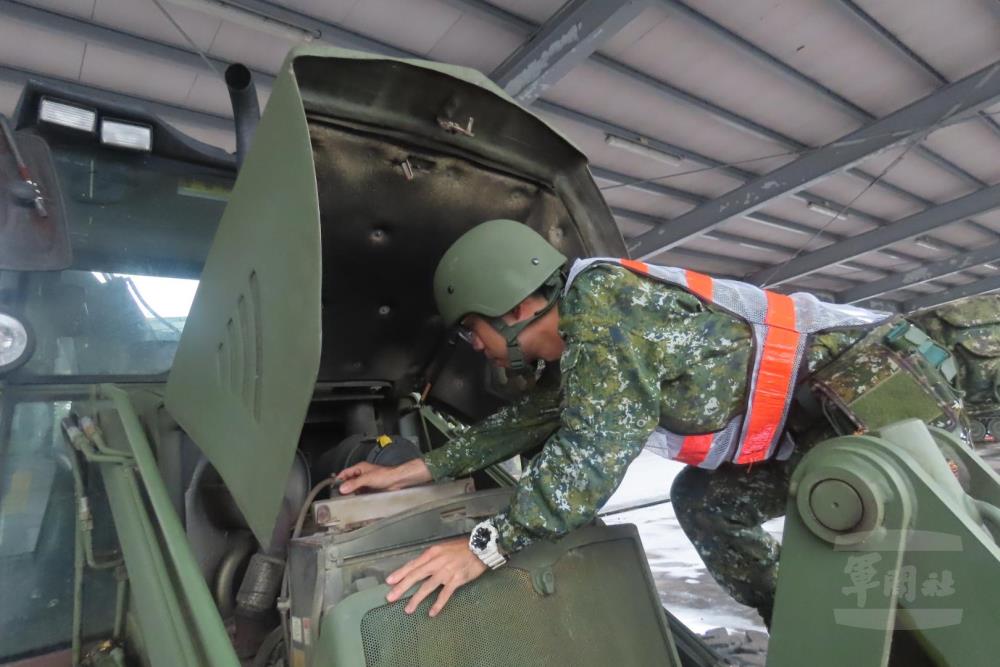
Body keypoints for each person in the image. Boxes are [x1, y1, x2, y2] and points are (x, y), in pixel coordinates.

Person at [335, 219, 966, 624]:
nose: (482, 353)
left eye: (474, 336)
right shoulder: (589, 339)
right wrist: (415, 470)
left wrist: (485, 547)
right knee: (705, 500)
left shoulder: (605, 309)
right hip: (811, 427)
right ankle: (804, 628)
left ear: (517, 306)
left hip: (878, 394)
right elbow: (533, 419)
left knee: (901, 559)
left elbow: (591, 454)